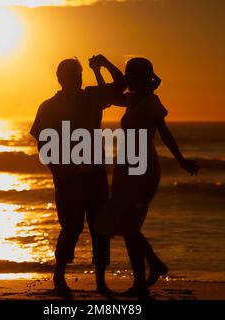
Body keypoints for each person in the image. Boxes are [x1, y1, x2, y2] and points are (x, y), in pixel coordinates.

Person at [94, 57, 199, 298]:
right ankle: (146, 276)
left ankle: (147, 274)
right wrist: (102, 67)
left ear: (139, 77)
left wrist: (182, 161)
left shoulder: (151, 101)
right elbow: (108, 95)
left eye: (130, 75)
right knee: (127, 226)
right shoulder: (133, 99)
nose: (127, 79)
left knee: (125, 224)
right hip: (126, 167)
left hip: (142, 169)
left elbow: (165, 134)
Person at [30, 55, 126, 298]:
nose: (77, 79)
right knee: (71, 227)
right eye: (73, 75)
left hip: (94, 173)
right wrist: (59, 170)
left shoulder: (92, 97)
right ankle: (59, 277)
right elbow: (42, 143)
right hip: (67, 177)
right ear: (61, 78)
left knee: (100, 228)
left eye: (79, 75)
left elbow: (121, 84)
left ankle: (101, 283)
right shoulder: (49, 106)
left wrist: (103, 63)